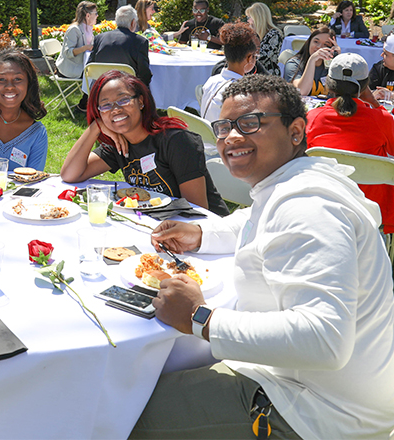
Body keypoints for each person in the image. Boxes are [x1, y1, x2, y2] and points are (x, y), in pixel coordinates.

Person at [131, 74, 394, 440]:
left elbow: (324, 339)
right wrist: (203, 233)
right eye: (223, 127)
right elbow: (256, 218)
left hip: (317, 414)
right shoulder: (293, 182)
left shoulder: (309, 208)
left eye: (251, 123)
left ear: (297, 131)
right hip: (301, 384)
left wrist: (200, 318)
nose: (232, 137)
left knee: (121, 413)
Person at [60, 70, 229, 215]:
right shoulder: (119, 144)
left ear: (140, 101)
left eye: (124, 100)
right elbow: (70, 174)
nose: (116, 109)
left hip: (209, 235)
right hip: (157, 223)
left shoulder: (176, 141)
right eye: (105, 105)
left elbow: (196, 210)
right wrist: (95, 127)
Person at [306, 53, 394, 233]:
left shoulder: (313, 118)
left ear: (329, 84)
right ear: (365, 86)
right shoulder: (381, 119)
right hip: (372, 211)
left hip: (325, 205)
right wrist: (374, 103)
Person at [200, 23, 258, 121]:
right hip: (223, 134)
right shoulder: (242, 90)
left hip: (207, 133)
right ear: (249, 58)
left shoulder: (212, 80)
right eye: (255, 56)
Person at [283, 26, 339, 96]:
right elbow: (301, 92)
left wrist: (338, 59)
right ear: (309, 42)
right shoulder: (294, 63)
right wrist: (312, 60)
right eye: (316, 41)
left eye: (326, 44)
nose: (319, 47)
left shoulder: (330, 65)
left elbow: (343, 92)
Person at [55, 0, 97, 79]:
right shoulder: (74, 29)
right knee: (95, 76)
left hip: (83, 66)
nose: (97, 16)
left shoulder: (88, 28)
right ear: (88, 15)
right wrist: (86, 47)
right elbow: (68, 52)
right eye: (96, 13)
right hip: (70, 68)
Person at [245, 2, 283, 74]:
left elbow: (262, 57)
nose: (248, 21)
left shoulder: (274, 34)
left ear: (257, 18)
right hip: (252, 71)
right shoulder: (256, 33)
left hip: (268, 73)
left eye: (249, 18)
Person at [369, 34, 394, 100]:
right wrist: (376, 93)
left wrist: (391, 95)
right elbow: (367, 90)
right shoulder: (378, 68)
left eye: (385, 54)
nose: (381, 55)